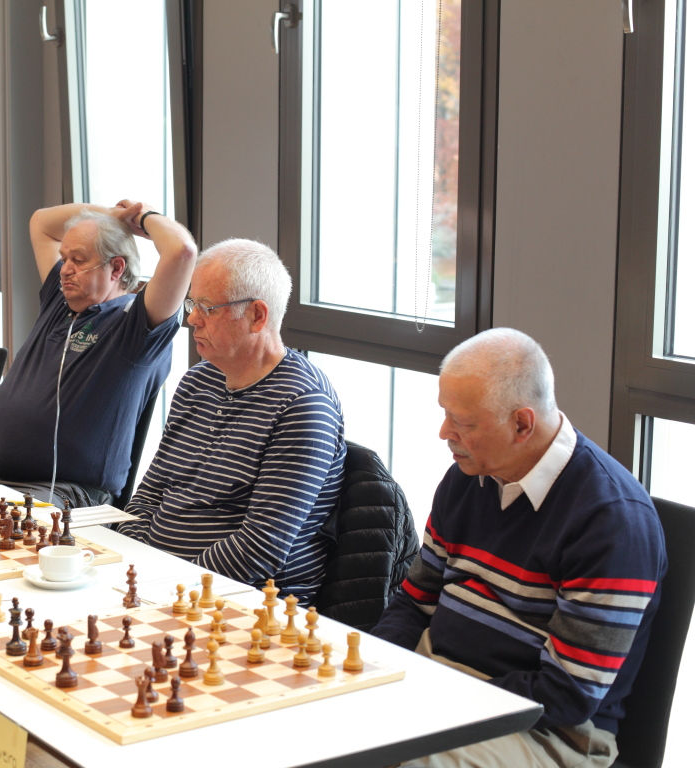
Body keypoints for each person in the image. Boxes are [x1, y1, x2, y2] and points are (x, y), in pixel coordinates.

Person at [371, 328, 667, 768]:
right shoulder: (467, 478)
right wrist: (372, 673)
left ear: (522, 424)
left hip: (547, 731)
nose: (444, 432)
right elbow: (414, 603)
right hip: (440, 683)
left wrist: (437, 701)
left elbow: (567, 694)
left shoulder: (611, 520)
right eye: (445, 414)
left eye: (463, 423)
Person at [115, 239, 346, 605]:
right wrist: (132, 563)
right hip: (161, 584)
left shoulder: (303, 406)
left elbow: (260, 547)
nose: (192, 318)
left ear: (257, 316)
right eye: (192, 304)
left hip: (239, 602)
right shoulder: (198, 382)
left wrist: (170, 586)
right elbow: (151, 493)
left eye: (207, 308)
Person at [0, 200, 197, 505]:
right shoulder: (60, 301)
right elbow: (41, 222)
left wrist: (141, 217)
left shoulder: (134, 326)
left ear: (116, 268)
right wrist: (111, 216)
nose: (65, 270)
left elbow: (182, 252)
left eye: (78, 260)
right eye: (64, 258)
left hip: (62, 492)